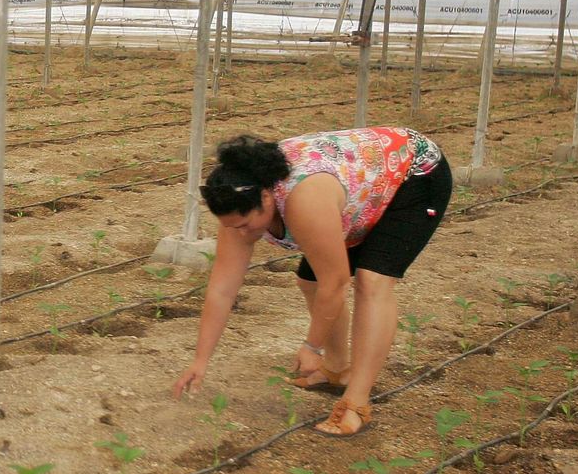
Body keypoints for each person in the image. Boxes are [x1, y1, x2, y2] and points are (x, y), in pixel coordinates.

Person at [172, 127, 452, 437]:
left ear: (266, 197)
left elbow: (336, 284)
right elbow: (222, 290)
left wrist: (311, 346)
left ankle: (356, 403)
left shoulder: (303, 200)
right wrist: (200, 361)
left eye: (245, 224)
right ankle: (337, 370)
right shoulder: (238, 206)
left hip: (414, 174)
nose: (241, 233)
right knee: (309, 280)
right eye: (231, 227)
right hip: (361, 187)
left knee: (372, 281)